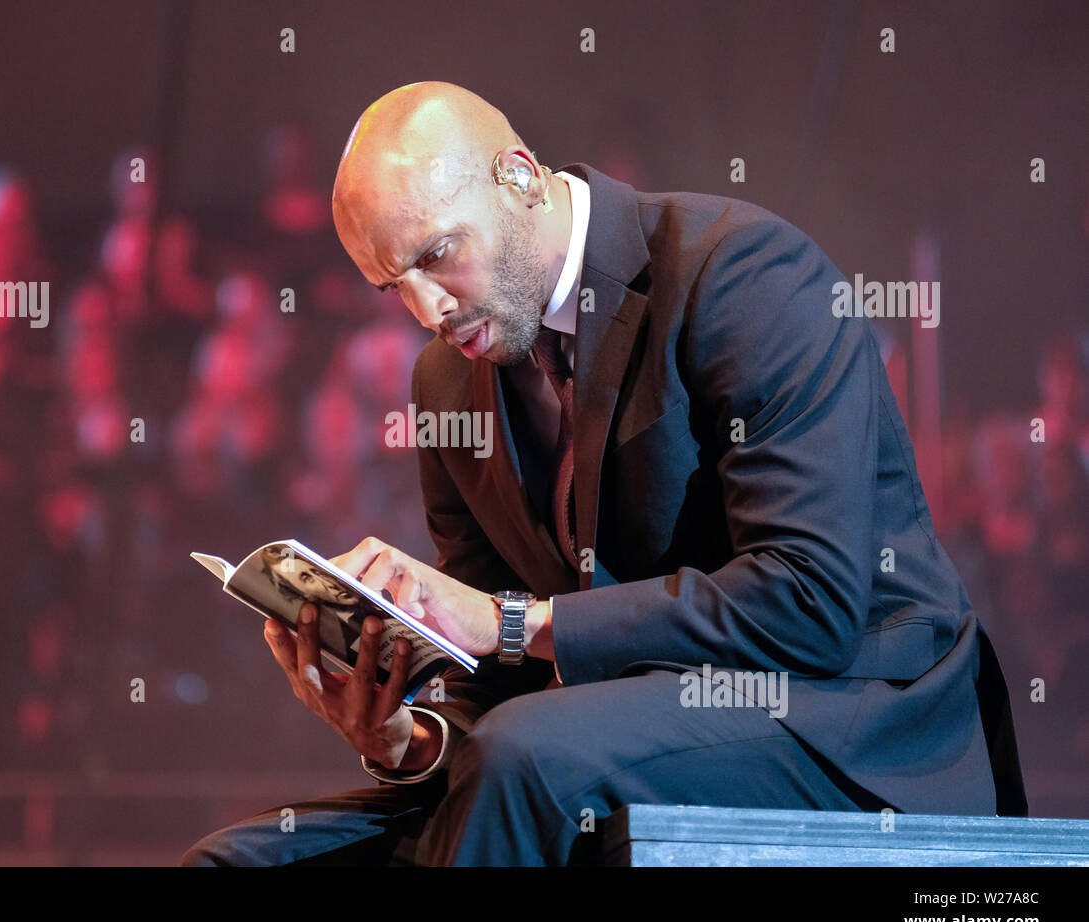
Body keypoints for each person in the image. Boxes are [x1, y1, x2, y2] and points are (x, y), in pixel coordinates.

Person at [182, 81, 1027, 866]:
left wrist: (512, 623)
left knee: (530, 762)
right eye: (390, 285)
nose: (428, 309)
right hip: (593, 741)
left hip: (848, 725)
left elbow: (809, 603)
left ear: (518, 175)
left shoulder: (742, 274)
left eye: (438, 253)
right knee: (234, 861)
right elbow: (498, 679)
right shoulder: (447, 381)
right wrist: (409, 739)